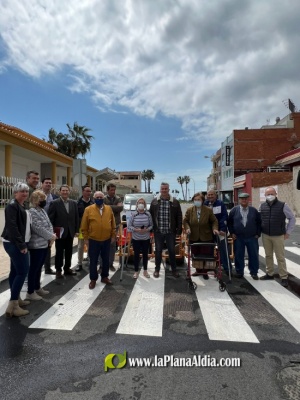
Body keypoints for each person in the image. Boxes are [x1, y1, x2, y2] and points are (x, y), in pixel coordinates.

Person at [1, 182, 31, 318]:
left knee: (15, 271)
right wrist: (22, 245)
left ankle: (16, 298)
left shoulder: (20, 205)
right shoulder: (12, 206)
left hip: (15, 242)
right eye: (22, 191)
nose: (25, 193)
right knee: (23, 271)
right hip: (14, 243)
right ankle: (13, 305)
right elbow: (12, 227)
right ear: (15, 193)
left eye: (26, 191)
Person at [259, 186, 296, 287]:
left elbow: (292, 218)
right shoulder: (262, 206)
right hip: (266, 235)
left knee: (280, 257)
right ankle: (269, 273)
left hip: (278, 235)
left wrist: (288, 232)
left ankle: (284, 276)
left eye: (272, 194)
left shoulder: (283, 205)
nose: (270, 196)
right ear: (265, 195)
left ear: (276, 194)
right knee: (268, 255)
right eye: (268, 194)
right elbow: (259, 220)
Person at [80, 191, 116, 288]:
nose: (99, 199)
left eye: (101, 197)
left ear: (103, 198)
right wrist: (86, 238)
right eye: (97, 197)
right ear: (94, 198)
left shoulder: (109, 209)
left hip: (106, 239)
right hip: (93, 239)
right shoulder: (88, 209)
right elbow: (84, 225)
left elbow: (113, 224)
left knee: (106, 259)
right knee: (93, 260)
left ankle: (105, 277)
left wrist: (113, 235)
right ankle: (93, 279)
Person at [26, 190, 57, 300]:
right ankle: (30, 292)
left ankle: (37, 287)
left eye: (44, 198)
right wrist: (51, 236)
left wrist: (51, 234)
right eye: (41, 199)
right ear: (35, 200)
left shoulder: (42, 210)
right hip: (36, 245)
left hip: (44, 244)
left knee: (39, 267)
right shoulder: (32, 211)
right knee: (34, 268)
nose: (44, 201)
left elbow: (48, 224)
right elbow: (37, 228)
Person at [150, 182, 182, 278]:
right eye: (162, 188)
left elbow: (179, 217)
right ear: (160, 190)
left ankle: (174, 270)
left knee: (172, 251)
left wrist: (179, 231)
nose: (164, 190)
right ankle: (157, 269)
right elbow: (151, 216)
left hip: (170, 232)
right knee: (158, 250)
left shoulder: (175, 202)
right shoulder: (154, 201)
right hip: (158, 231)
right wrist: (151, 230)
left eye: (166, 188)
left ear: (168, 189)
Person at [184, 192, 219, 279]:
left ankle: (205, 272)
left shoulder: (208, 210)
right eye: (195, 200)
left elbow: (214, 221)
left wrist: (215, 229)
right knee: (195, 255)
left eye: (198, 199)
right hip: (194, 236)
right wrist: (187, 228)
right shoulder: (189, 210)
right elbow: (185, 221)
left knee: (205, 254)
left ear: (202, 200)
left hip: (206, 237)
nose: (196, 201)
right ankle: (198, 270)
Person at [228, 193, 261, 280]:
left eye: (246, 199)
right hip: (238, 237)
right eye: (242, 199)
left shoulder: (254, 210)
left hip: (252, 237)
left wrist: (258, 233)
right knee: (238, 255)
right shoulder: (234, 210)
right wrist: (232, 233)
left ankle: (254, 272)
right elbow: (229, 223)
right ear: (239, 200)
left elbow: (259, 222)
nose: (244, 200)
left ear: (248, 200)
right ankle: (239, 271)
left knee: (253, 255)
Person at [48, 185, 79, 279]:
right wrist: (52, 232)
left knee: (69, 251)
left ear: (69, 192)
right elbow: (51, 219)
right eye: (63, 190)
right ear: (60, 192)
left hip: (70, 232)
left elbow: (76, 218)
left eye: (67, 190)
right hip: (59, 233)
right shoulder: (54, 203)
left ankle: (67, 268)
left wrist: (76, 230)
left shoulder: (74, 203)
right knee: (59, 252)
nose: (65, 192)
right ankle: (58, 270)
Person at [204, 189, 232, 275]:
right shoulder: (204, 204)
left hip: (220, 231)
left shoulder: (221, 204)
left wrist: (222, 229)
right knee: (208, 250)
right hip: (208, 232)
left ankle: (227, 268)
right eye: (209, 195)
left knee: (223, 249)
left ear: (216, 195)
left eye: (212, 195)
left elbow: (224, 217)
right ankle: (210, 267)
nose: (210, 196)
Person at [127, 197, 153, 278]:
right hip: (136, 238)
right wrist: (136, 229)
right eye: (139, 203)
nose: (141, 204)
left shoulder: (148, 214)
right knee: (136, 255)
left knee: (145, 255)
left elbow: (151, 225)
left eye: (142, 203)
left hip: (146, 238)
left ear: (145, 205)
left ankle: (145, 271)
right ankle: (136, 271)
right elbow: (129, 226)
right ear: (137, 205)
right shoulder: (133, 214)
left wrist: (147, 229)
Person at [103, 183, 123, 271]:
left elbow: (120, 208)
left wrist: (108, 207)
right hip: (105, 224)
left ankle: (110, 263)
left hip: (116, 224)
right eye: (111, 190)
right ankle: (102, 264)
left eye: (114, 190)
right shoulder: (103, 198)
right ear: (107, 190)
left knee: (112, 244)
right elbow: (101, 208)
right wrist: (114, 207)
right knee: (103, 244)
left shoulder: (118, 198)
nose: (113, 191)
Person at [41, 177, 58, 275]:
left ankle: (47, 268)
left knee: (48, 246)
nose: (48, 184)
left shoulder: (54, 197)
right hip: (38, 225)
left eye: (50, 183)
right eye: (46, 183)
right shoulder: (37, 195)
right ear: (42, 184)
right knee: (38, 247)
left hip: (50, 226)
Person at [76, 185, 94, 271]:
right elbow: (75, 217)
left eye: (90, 191)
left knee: (91, 245)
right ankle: (79, 263)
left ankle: (91, 261)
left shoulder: (93, 203)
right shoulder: (77, 203)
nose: (88, 193)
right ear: (83, 192)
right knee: (80, 246)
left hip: (91, 229)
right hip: (81, 229)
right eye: (87, 191)